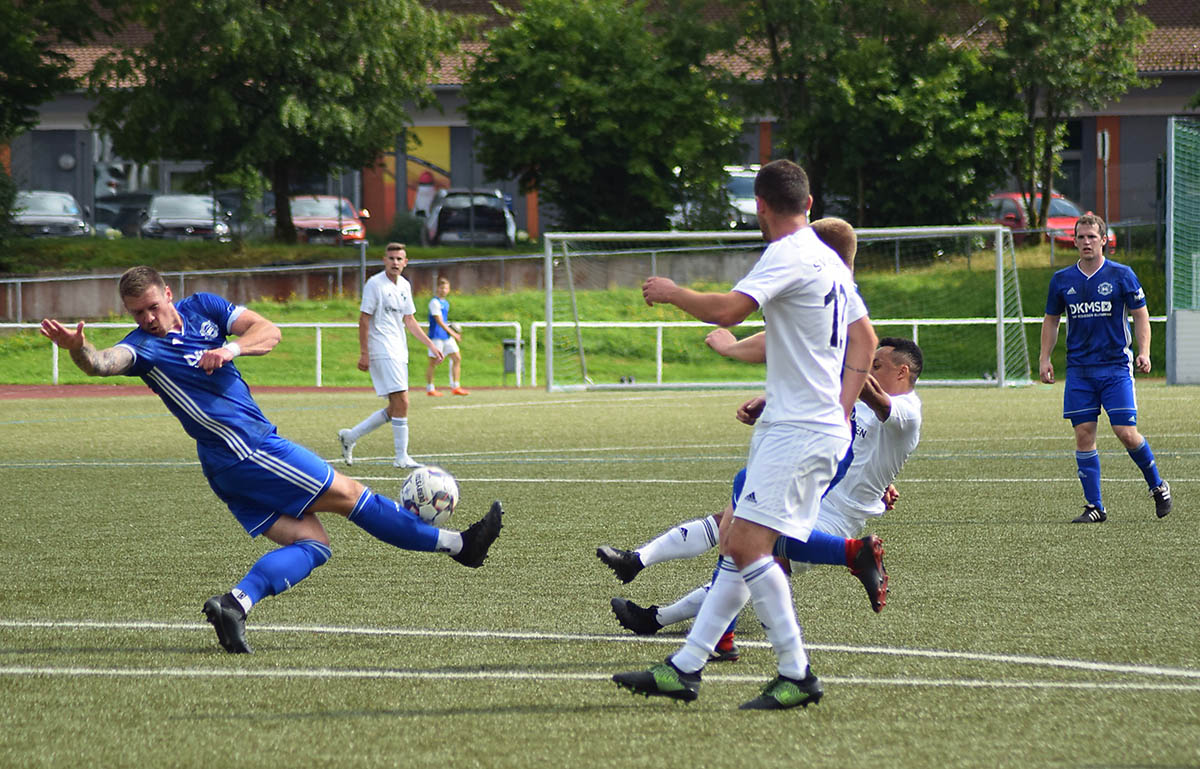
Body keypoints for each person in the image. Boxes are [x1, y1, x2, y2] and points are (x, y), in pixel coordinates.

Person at [39, 266, 504, 655]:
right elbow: (102, 362)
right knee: (349, 494)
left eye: (152, 307)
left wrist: (230, 348)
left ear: (168, 293)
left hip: (228, 465)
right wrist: (78, 348)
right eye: (137, 313)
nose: (148, 318)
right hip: (249, 450)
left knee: (313, 544)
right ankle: (460, 547)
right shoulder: (142, 347)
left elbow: (269, 331)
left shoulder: (205, 307)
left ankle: (234, 604)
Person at [612, 159, 877, 710]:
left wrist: (671, 291)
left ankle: (796, 673)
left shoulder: (787, 252)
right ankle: (684, 668)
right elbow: (865, 339)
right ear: (808, 202)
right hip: (811, 425)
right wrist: (841, 405)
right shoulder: (829, 259)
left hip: (799, 430)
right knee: (740, 546)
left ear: (760, 206)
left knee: (748, 546)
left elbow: (731, 309)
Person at [603, 339, 923, 661]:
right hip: (810, 492)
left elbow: (877, 404)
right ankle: (641, 569)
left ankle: (663, 620)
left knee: (749, 554)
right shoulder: (860, 402)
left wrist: (844, 353)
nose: (870, 369)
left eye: (877, 366)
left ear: (903, 371)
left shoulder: (907, 412)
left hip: (832, 518)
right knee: (731, 524)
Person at [1039, 213, 1172, 523]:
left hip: (1114, 368)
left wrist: (1144, 351)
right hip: (1080, 370)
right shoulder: (1062, 280)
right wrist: (1045, 357)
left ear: (1104, 240)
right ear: (1074, 241)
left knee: (1125, 432)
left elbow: (1141, 314)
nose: (1086, 242)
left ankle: (1157, 486)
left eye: (1092, 237)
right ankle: (1095, 506)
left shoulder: (1121, 275)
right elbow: (1051, 320)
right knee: (1084, 435)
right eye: (1081, 237)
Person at [338, 242, 443, 468]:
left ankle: (350, 436)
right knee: (403, 401)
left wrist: (431, 345)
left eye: (399, 259)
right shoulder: (374, 284)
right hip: (381, 349)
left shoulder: (405, 285)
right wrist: (364, 353)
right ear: (384, 260)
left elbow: (410, 320)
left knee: (396, 406)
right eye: (391, 258)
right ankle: (401, 457)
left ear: (405, 262)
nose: (395, 262)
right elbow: (364, 319)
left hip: (399, 349)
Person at [425, 276, 469, 397]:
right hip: (436, 336)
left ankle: (456, 386)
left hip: (446, 336)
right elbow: (439, 321)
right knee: (433, 362)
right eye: (441, 287)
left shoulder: (445, 303)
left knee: (457, 358)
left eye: (446, 288)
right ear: (437, 288)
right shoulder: (434, 302)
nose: (444, 290)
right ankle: (430, 388)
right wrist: (453, 333)